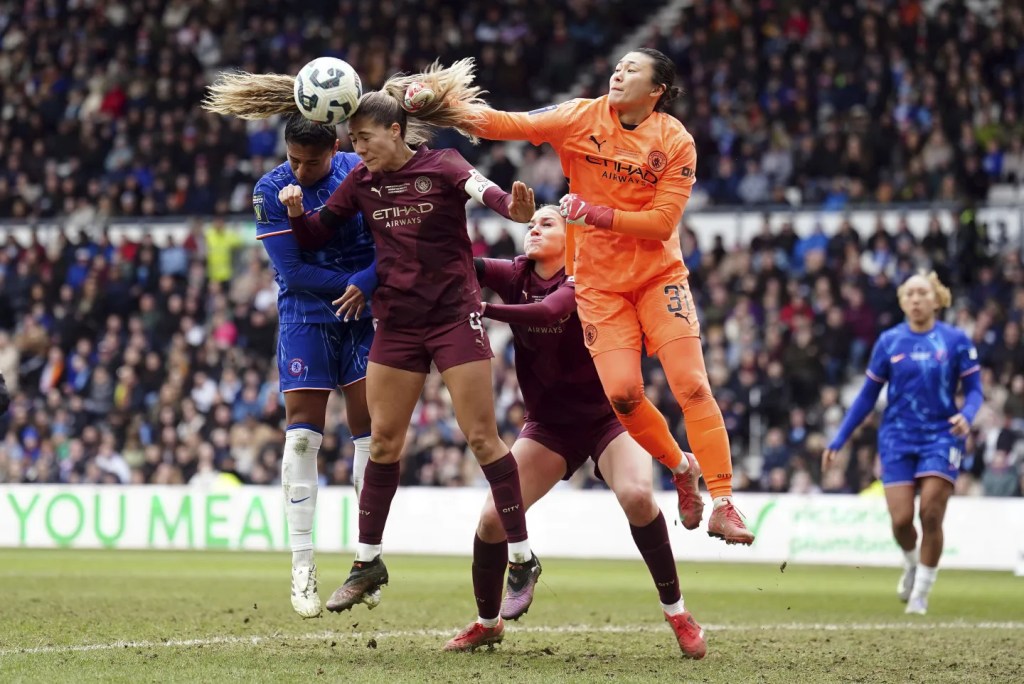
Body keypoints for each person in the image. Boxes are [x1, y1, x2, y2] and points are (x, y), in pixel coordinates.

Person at [211, 69, 540, 614]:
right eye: (352, 141)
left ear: (395, 130)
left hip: (455, 315)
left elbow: (490, 194)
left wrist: (516, 209)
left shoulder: (445, 165)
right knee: (383, 443)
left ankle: (523, 556)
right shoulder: (360, 180)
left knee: (483, 439)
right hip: (399, 323)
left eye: (363, 139)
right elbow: (316, 235)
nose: (355, 149)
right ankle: (367, 563)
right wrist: (297, 215)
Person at [399, 53, 752, 543]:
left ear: (658, 90)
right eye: (618, 66)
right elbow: (505, 124)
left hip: (658, 277)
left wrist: (594, 213)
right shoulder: (580, 116)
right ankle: (679, 465)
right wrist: (440, 106)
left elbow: (662, 224)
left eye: (633, 70)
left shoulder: (675, 141)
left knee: (691, 384)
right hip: (599, 286)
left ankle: (724, 502)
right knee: (625, 397)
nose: (619, 72)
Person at [444, 205, 705, 658]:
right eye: (530, 224)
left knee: (638, 498)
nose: (533, 229)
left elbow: (549, 311)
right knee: (490, 521)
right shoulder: (517, 273)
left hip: (611, 418)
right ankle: (488, 624)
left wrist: (480, 307)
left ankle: (678, 614)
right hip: (549, 426)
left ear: (573, 236)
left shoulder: (588, 275)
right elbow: (463, 261)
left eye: (546, 223)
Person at [199, 102, 379, 617]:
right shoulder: (267, 190)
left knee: (371, 435)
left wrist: (365, 285)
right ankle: (302, 565)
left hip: (364, 315)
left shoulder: (360, 172)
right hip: (306, 316)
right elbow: (293, 273)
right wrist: (355, 284)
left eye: (312, 163)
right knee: (301, 436)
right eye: (294, 159)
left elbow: (389, 243)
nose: (300, 171)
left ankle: (367, 557)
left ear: (335, 150)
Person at [823, 271, 983, 615]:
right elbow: (867, 396)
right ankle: (912, 564)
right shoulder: (889, 341)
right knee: (900, 521)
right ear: (901, 301)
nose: (915, 299)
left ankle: (921, 594)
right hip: (896, 436)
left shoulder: (955, 340)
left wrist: (968, 415)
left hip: (942, 435)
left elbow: (974, 390)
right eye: (909, 293)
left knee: (931, 513)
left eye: (922, 293)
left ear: (936, 299)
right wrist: (839, 439)